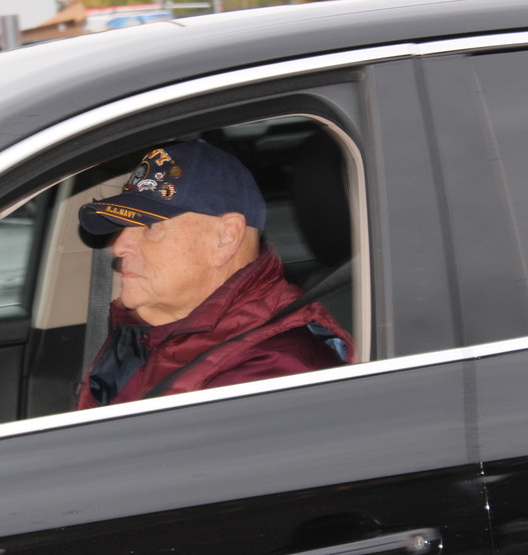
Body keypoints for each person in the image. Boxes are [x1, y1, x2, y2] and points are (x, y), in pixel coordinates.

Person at [76, 139, 355, 409]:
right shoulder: (143, 332)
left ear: (225, 237)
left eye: (150, 227)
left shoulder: (271, 377)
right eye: (123, 228)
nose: (120, 246)